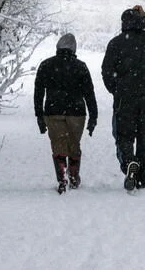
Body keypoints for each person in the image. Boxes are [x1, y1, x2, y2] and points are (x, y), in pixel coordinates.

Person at [101, 5, 145, 191]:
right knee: (144, 136)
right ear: (140, 22)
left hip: (125, 97)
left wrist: (115, 89)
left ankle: (130, 162)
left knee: (123, 134)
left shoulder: (115, 43)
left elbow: (106, 71)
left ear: (123, 23)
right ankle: (143, 177)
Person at [34, 33, 98, 194]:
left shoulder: (46, 65)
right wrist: (93, 117)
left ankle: (62, 178)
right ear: (73, 48)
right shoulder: (80, 66)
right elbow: (89, 93)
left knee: (58, 145)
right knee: (74, 144)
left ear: (58, 47)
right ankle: (74, 177)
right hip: (76, 112)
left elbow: (38, 93)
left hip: (53, 111)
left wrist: (39, 116)